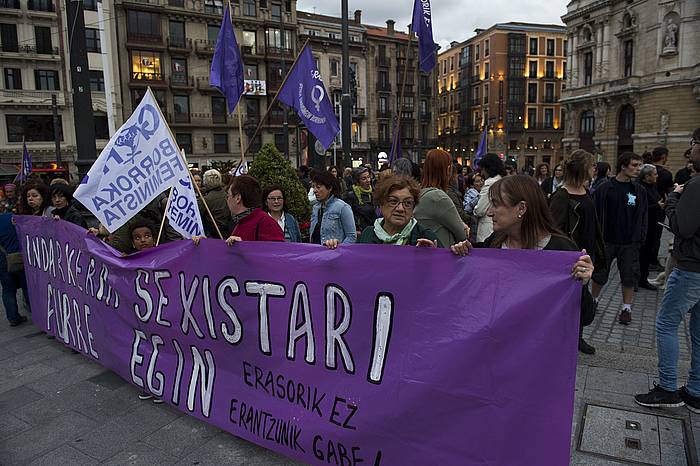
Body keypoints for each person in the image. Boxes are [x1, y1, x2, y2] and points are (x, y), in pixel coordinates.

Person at [449, 176, 594, 328]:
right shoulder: (495, 242)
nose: (489, 212)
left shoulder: (562, 249)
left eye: (496, 205)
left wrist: (582, 282)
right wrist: (454, 252)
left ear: (521, 208)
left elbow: (585, 317)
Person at [634, 130, 700, 412]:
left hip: (691, 268)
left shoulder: (696, 185)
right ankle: (696, 391)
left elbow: (682, 227)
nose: (690, 149)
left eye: (694, 144)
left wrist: (674, 200)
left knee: (666, 324)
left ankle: (667, 388)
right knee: (698, 330)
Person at [550, 150, 607, 355]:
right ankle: (564, 337)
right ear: (583, 168)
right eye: (592, 165)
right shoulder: (561, 196)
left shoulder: (585, 190)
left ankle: (577, 336)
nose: (595, 169)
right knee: (569, 299)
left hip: (586, 252)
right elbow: (553, 229)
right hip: (570, 256)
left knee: (580, 297)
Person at [592, 152, 647, 325]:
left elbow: (643, 215)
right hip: (606, 240)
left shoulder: (638, 190)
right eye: (634, 165)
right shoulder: (604, 188)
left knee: (629, 276)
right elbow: (595, 214)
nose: (638, 169)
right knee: (600, 273)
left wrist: (640, 237)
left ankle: (626, 308)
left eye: (639, 165)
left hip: (629, 242)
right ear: (623, 166)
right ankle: (593, 301)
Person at [358, 175, 441, 247]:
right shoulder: (367, 234)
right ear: (381, 204)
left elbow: (445, 263)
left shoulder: (425, 237)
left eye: (408, 203)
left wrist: (438, 257)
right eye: (393, 201)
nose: (400, 209)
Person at [413, 149, 467, 248]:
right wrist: (464, 227)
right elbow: (462, 235)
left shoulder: (420, 193)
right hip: (442, 255)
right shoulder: (438, 198)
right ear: (447, 170)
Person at [224, 175, 284, 243]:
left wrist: (244, 246)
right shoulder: (241, 221)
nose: (227, 200)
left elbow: (277, 251)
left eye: (228, 196)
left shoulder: (266, 223)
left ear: (238, 198)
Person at [310, 169, 356, 248]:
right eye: (313, 187)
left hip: (335, 255)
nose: (315, 191)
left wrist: (338, 248)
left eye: (318, 187)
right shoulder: (316, 207)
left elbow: (351, 236)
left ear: (329, 188)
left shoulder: (342, 207)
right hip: (316, 254)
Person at [637, 164, 665, 290]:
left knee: (647, 253)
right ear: (647, 176)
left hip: (654, 226)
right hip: (644, 228)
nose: (657, 176)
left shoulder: (652, 186)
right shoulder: (640, 188)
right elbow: (640, 209)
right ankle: (638, 279)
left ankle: (642, 277)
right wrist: (657, 206)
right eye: (654, 174)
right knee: (642, 254)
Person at [0, 213, 30, 327]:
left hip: (3, 261)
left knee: (8, 290)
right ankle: (35, 311)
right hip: (19, 257)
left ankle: (13, 317)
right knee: (27, 286)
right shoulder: (11, 217)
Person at [473, 153, 505, 242]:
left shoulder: (489, 184)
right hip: (499, 225)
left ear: (487, 168)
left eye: (482, 169)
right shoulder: (501, 180)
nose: (482, 173)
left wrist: (474, 209)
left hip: (487, 228)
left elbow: (480, 210)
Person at [344, 167, 376, 236]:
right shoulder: (351, 195)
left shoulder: (374, 192)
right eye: (364, 179)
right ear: (357, 181)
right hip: (361, 232)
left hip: (375, 229)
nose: (368, 180)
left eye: (368, 177)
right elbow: (347, 216)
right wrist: (355, 229)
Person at [199, 169, 230, 238]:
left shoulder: (205, 200)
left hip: (213, 235)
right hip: (229, 233)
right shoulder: (228, 195)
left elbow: (201, 218)